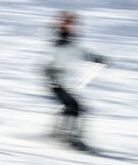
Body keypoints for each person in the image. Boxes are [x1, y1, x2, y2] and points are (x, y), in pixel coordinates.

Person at [44, 10, 107, 149]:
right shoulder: (58, 37)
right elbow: (59, 52)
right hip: (54, 79)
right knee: (73, 106)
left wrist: (95, 58)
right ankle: (69, 137)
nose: (72, 25)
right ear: (62, 22)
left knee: (72, 106)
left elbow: (77, 51)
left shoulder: (68, 38)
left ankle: (62, 134)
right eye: (69, 22)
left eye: (73, 23)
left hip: (61, 80)